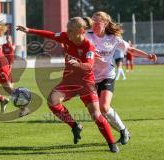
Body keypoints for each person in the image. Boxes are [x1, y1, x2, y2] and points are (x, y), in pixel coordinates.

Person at [17, 17, 119, 152]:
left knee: (96, 115)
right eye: (67, 30)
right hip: (69, 82)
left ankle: (112, 144)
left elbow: (89, 66)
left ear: (81, 31)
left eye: (71, 31)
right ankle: (74, 125)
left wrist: (78, 64)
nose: (67, 33)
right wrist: (29, 30)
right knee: (52, 101)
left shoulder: (89, 47)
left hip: (85, 84)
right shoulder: (66, 37)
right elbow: (51, 35)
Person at [84, 11, 157, 145]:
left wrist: (147, 56)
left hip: (107, 75)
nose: (93, 23)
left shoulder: (113, 38)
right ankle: (122, 131)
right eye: (92, 20)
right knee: (99, 112)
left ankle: (124, 131)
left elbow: (130, 50)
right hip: (91, 78)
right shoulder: (87, 35)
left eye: (97, 21)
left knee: (104, 107)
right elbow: (72, 39)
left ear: (105, 23)